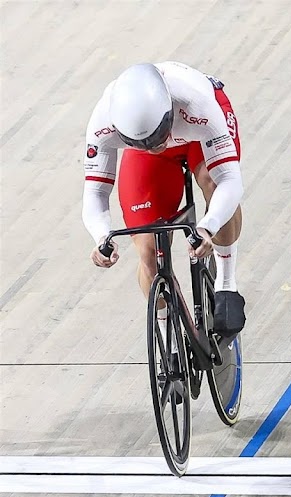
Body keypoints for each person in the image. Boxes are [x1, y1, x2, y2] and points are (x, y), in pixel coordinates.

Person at [83, 61, 246, 337]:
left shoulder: (198, 104)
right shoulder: (103, 122)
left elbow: (231, 181)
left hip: (196, 130)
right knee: (148, 251)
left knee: (211, 180)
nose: (154, 146)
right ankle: (168, 339)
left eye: (157, 138)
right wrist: (101, 238)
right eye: (144, 142)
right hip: (155, 136)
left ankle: (226, 282)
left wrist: (208, 226)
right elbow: (95, 192)